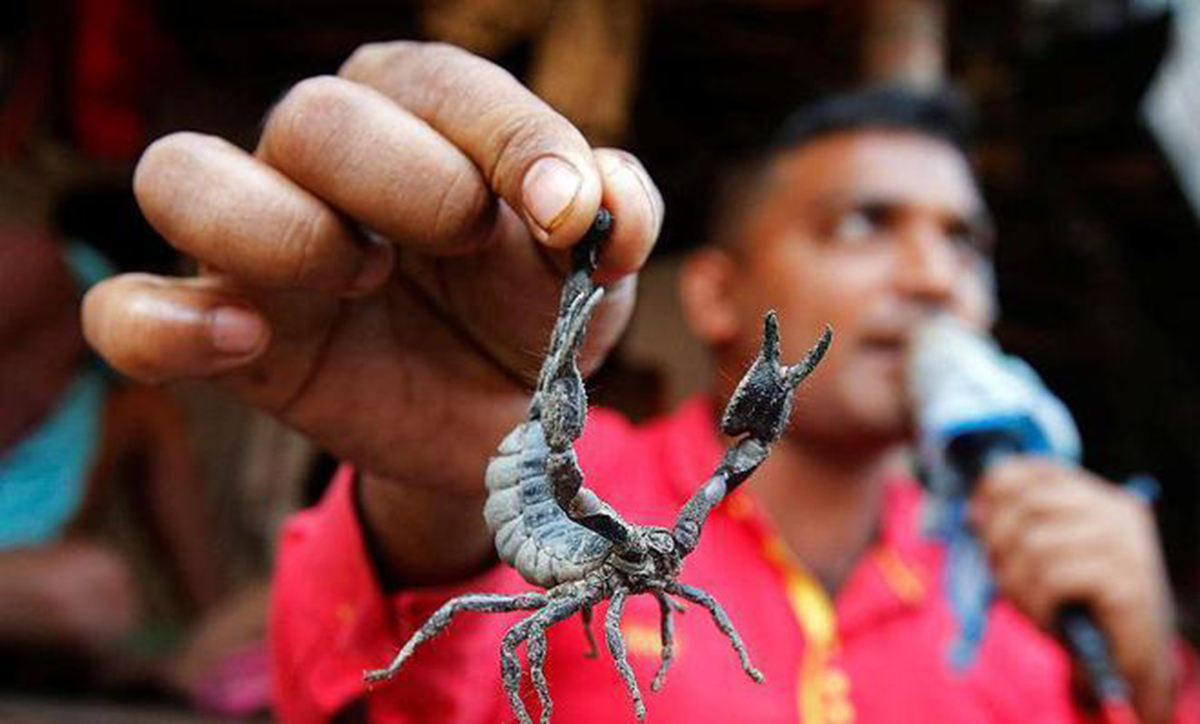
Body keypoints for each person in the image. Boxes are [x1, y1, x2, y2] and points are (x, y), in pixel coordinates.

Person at [80, 42, 1197, 722]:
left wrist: (1154, 683)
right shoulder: (587, 477)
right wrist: (429, 497)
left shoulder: (1043, 594)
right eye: (866, 223)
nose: (934, 277)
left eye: (968, 242)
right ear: (713, 294)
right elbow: (380, 691)